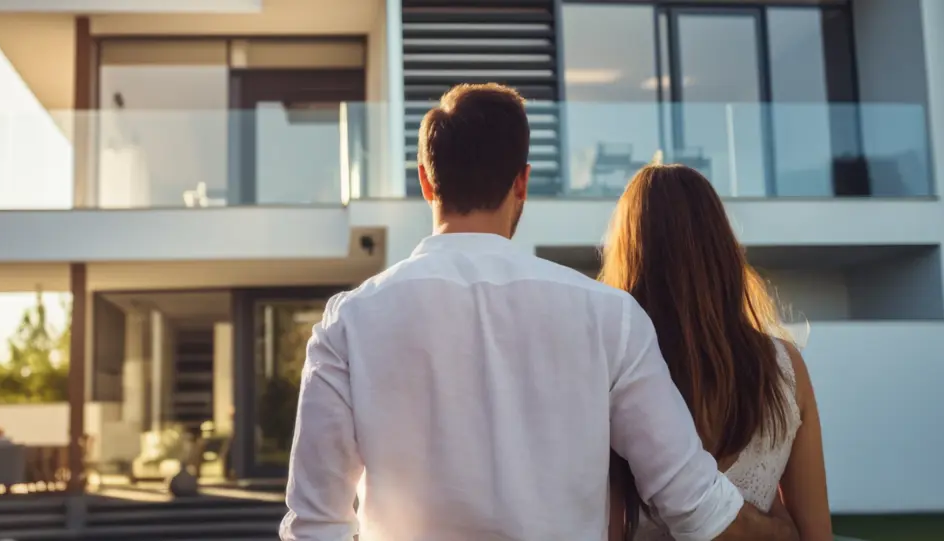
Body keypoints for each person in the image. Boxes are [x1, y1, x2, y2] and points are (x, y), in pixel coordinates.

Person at [280, 84, 798, 540]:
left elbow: (315, 525)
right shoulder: (609, 318)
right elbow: (692, 503)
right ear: (521, 183)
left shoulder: (349, 322)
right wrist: (783, 533)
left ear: (426, 181)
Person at [601, 165, 832, 541]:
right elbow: (816, 534)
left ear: (629, 254)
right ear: (721, 248)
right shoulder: (784, 368)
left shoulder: (613, 369)